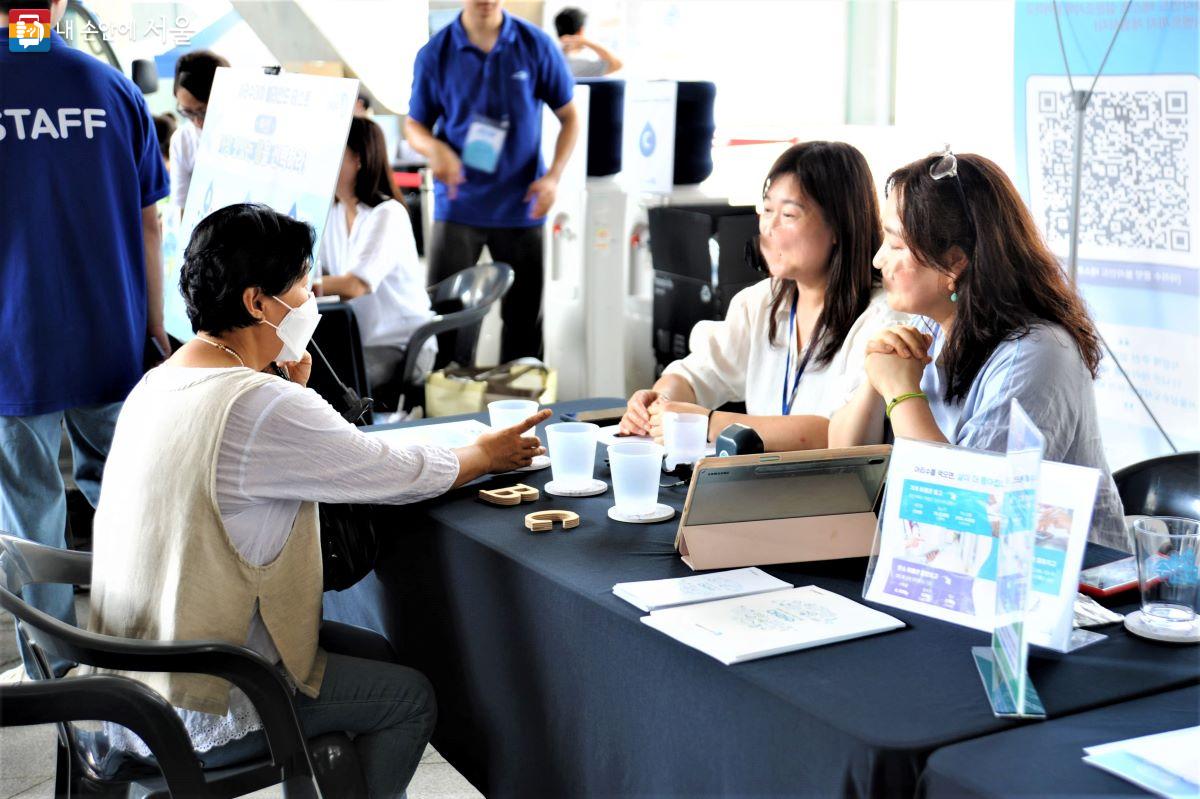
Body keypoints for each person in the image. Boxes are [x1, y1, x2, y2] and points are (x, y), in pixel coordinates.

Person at [89, 203, 549, 796]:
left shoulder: (164, 378)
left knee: (377, 653)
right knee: (408, 698)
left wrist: (292, 392)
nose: (311, 299)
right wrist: (484, 456)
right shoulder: (259, 403)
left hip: (129, 672)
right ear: (257, 303)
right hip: (203, 693)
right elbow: (389, 471)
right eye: (303, 283)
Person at [828, 149, 1127, 548]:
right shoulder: (927, 325)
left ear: (954, 263)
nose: (879, 259)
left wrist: (903, 395)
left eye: (897, 245)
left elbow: (972, 513)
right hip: (965, 571)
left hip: (1075, 588)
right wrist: (875, 380)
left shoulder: (1036, 353)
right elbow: (844, 464)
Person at [0, 0, 169, 676]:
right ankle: (147, 640)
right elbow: (150, 225)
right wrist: (152, 329)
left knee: (28, 514)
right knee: (128, 496)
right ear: (61, 6)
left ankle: (52, 666)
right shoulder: (112, 88)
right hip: (112, 335)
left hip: (14, 343)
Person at [619, 142, 909, 451]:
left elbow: (835, 434)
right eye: (766, 209)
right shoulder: (760, 302)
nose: (768, 227)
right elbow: (697, 375)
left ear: (838, 225)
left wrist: (709, 422)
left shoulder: (882, 319)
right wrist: (658, 404)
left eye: (788, 214)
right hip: (760, 486)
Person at [405, 0, 579, 362]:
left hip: (523, 206)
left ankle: (523, 410)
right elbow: (414, 125)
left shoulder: (535, 45)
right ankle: (448, 409)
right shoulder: (436, 53)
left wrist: (553, 177)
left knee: (524, 327)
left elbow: (570, 118)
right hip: (459, 205)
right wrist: (435, 149)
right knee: (447, 324)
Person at [316, 116, 437, 392]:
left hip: (400, 346)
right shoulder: (335, 212)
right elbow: (317, 270)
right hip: (358, 341)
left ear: (357, 159)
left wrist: (303, 288)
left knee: (332, 387)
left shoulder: (387, 214)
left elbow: (355, 285)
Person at [169, 49, 229, 213]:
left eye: (203, 111)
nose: (197, 121)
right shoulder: (183, 140)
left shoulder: (244, 133)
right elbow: (182, 206)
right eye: (187, 112)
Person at [554, 6, 623, 78]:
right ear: (581, 30)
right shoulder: (580, 64)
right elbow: (617, 64)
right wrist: (587, 42)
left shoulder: (551, 54)